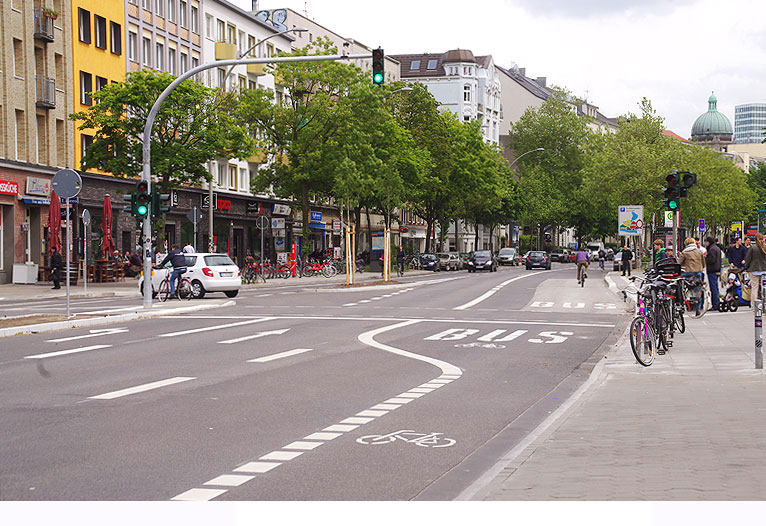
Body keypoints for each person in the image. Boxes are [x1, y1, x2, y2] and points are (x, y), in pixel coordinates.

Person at [679, 237, 706, 315]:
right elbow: (703, 264)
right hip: (698, 273)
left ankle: (683, 303)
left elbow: (679, 264)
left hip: (687, 273)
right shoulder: (699, 252)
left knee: (681, 286)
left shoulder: (684, 252)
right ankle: (698, 309)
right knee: (698, 291)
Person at [745, 232, 766, 308]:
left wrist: (746, 268)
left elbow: (748, 259)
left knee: (754, 288)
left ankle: (754, 306)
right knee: (764, 287)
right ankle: (764, 304)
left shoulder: (752, 247)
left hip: (754, 270)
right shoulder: (764, 246)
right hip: (764, 270)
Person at [705, 237, 722, 311]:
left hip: (712, 270)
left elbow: (711, 260)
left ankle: (715, 304)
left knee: (713, 288)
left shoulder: (712, 249)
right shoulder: (717, 248)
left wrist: (705, 258)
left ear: (709, 242)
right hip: (717, 269)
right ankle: (717, 302)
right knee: (715, 287)